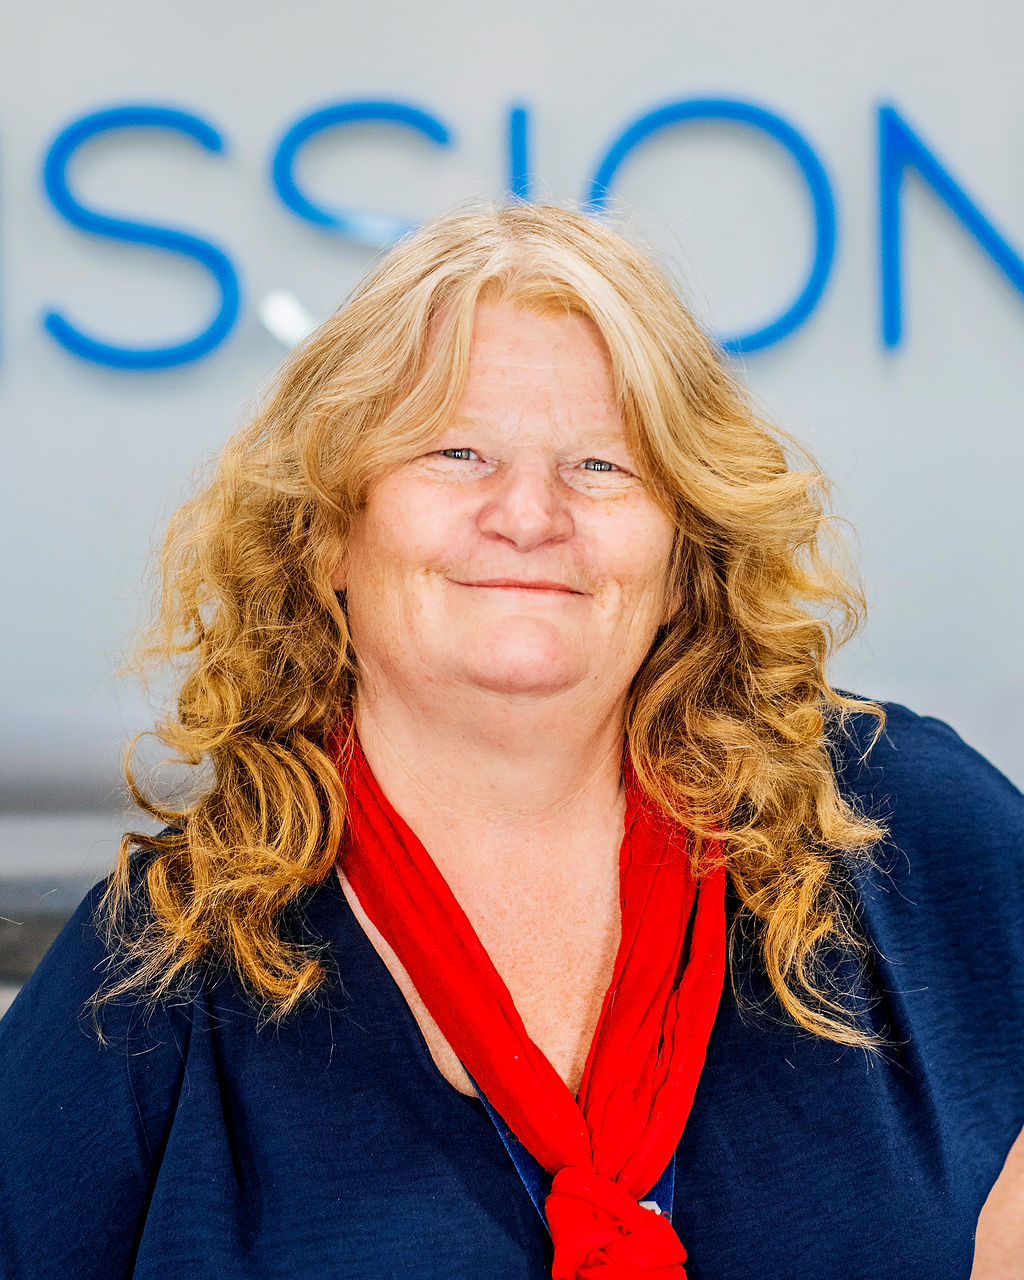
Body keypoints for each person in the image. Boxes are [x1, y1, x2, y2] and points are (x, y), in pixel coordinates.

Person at [1, 203, 1022, 1280]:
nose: (529, 515)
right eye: (457, 452)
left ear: (685, 554)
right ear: (331, 531)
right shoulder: (147, 983)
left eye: (603, 465)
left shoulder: (904, 833)